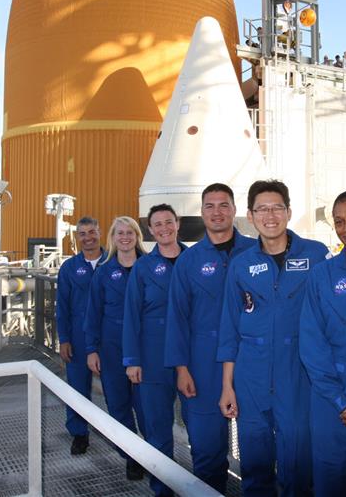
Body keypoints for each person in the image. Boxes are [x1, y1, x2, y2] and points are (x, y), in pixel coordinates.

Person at [217, 180, 329, 497]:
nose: (270, 215)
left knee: (298, 463)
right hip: (251, 378)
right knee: (254, 462)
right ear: (251, 216)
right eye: (262, 209)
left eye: (277, 207)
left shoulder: (316, 255)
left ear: (289, 212)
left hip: (300, 376)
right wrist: (228, 385)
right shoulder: (241, 265)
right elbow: (230, 328)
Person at [165, 183, 254, 493]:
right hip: (202, 364)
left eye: (223, 205)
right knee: (205, 447)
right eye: (210, 206)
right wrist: (181, 368)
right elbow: (176, 317)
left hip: (251, 361)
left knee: (257, 447)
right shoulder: (189, 262)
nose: (217, 212)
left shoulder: (256, 252)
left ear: (234, 209)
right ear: (202, 212)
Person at [300, 189, 346, 497]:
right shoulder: (321, 276)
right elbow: (312, 343)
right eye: (339, 221)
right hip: (333, 406)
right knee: (330, 486)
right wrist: (342, 402)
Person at [123, 204, 187, 497]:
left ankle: (205, 486)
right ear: (150, 230)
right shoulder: (143, 267)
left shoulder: (195, 260)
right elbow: (131, 316)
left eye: (168, 222)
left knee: (201, 430)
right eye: (157, 224)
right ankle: (162, 488)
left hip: (192, 357)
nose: (164, 228)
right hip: (152, 357)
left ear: (178, 224)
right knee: (158, 430)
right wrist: (132, 360)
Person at [84, 216, 147, 480]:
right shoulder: (104, 272)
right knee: (118, 405)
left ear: (137, 235)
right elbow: (93, 313)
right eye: (119, 232)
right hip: (111, 350)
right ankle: (131, 457)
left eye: (129, 232)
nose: (124, 236)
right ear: (112, 237)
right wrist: (91, 349)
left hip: (146, 348)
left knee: (148, 407)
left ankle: (155, 454)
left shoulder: (150, 267)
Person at [56, 216, 105, 455]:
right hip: (77, 337)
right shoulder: (69, 268)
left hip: (109, 338)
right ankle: (79, 433)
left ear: (100, 232)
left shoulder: (113, 263)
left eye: (92, 232)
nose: (88, 237)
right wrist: (63, 338)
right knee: (77, 387)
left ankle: (125, 438)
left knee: (118, 390)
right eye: (83, 234)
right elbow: (62, 307)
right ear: (77, 238)